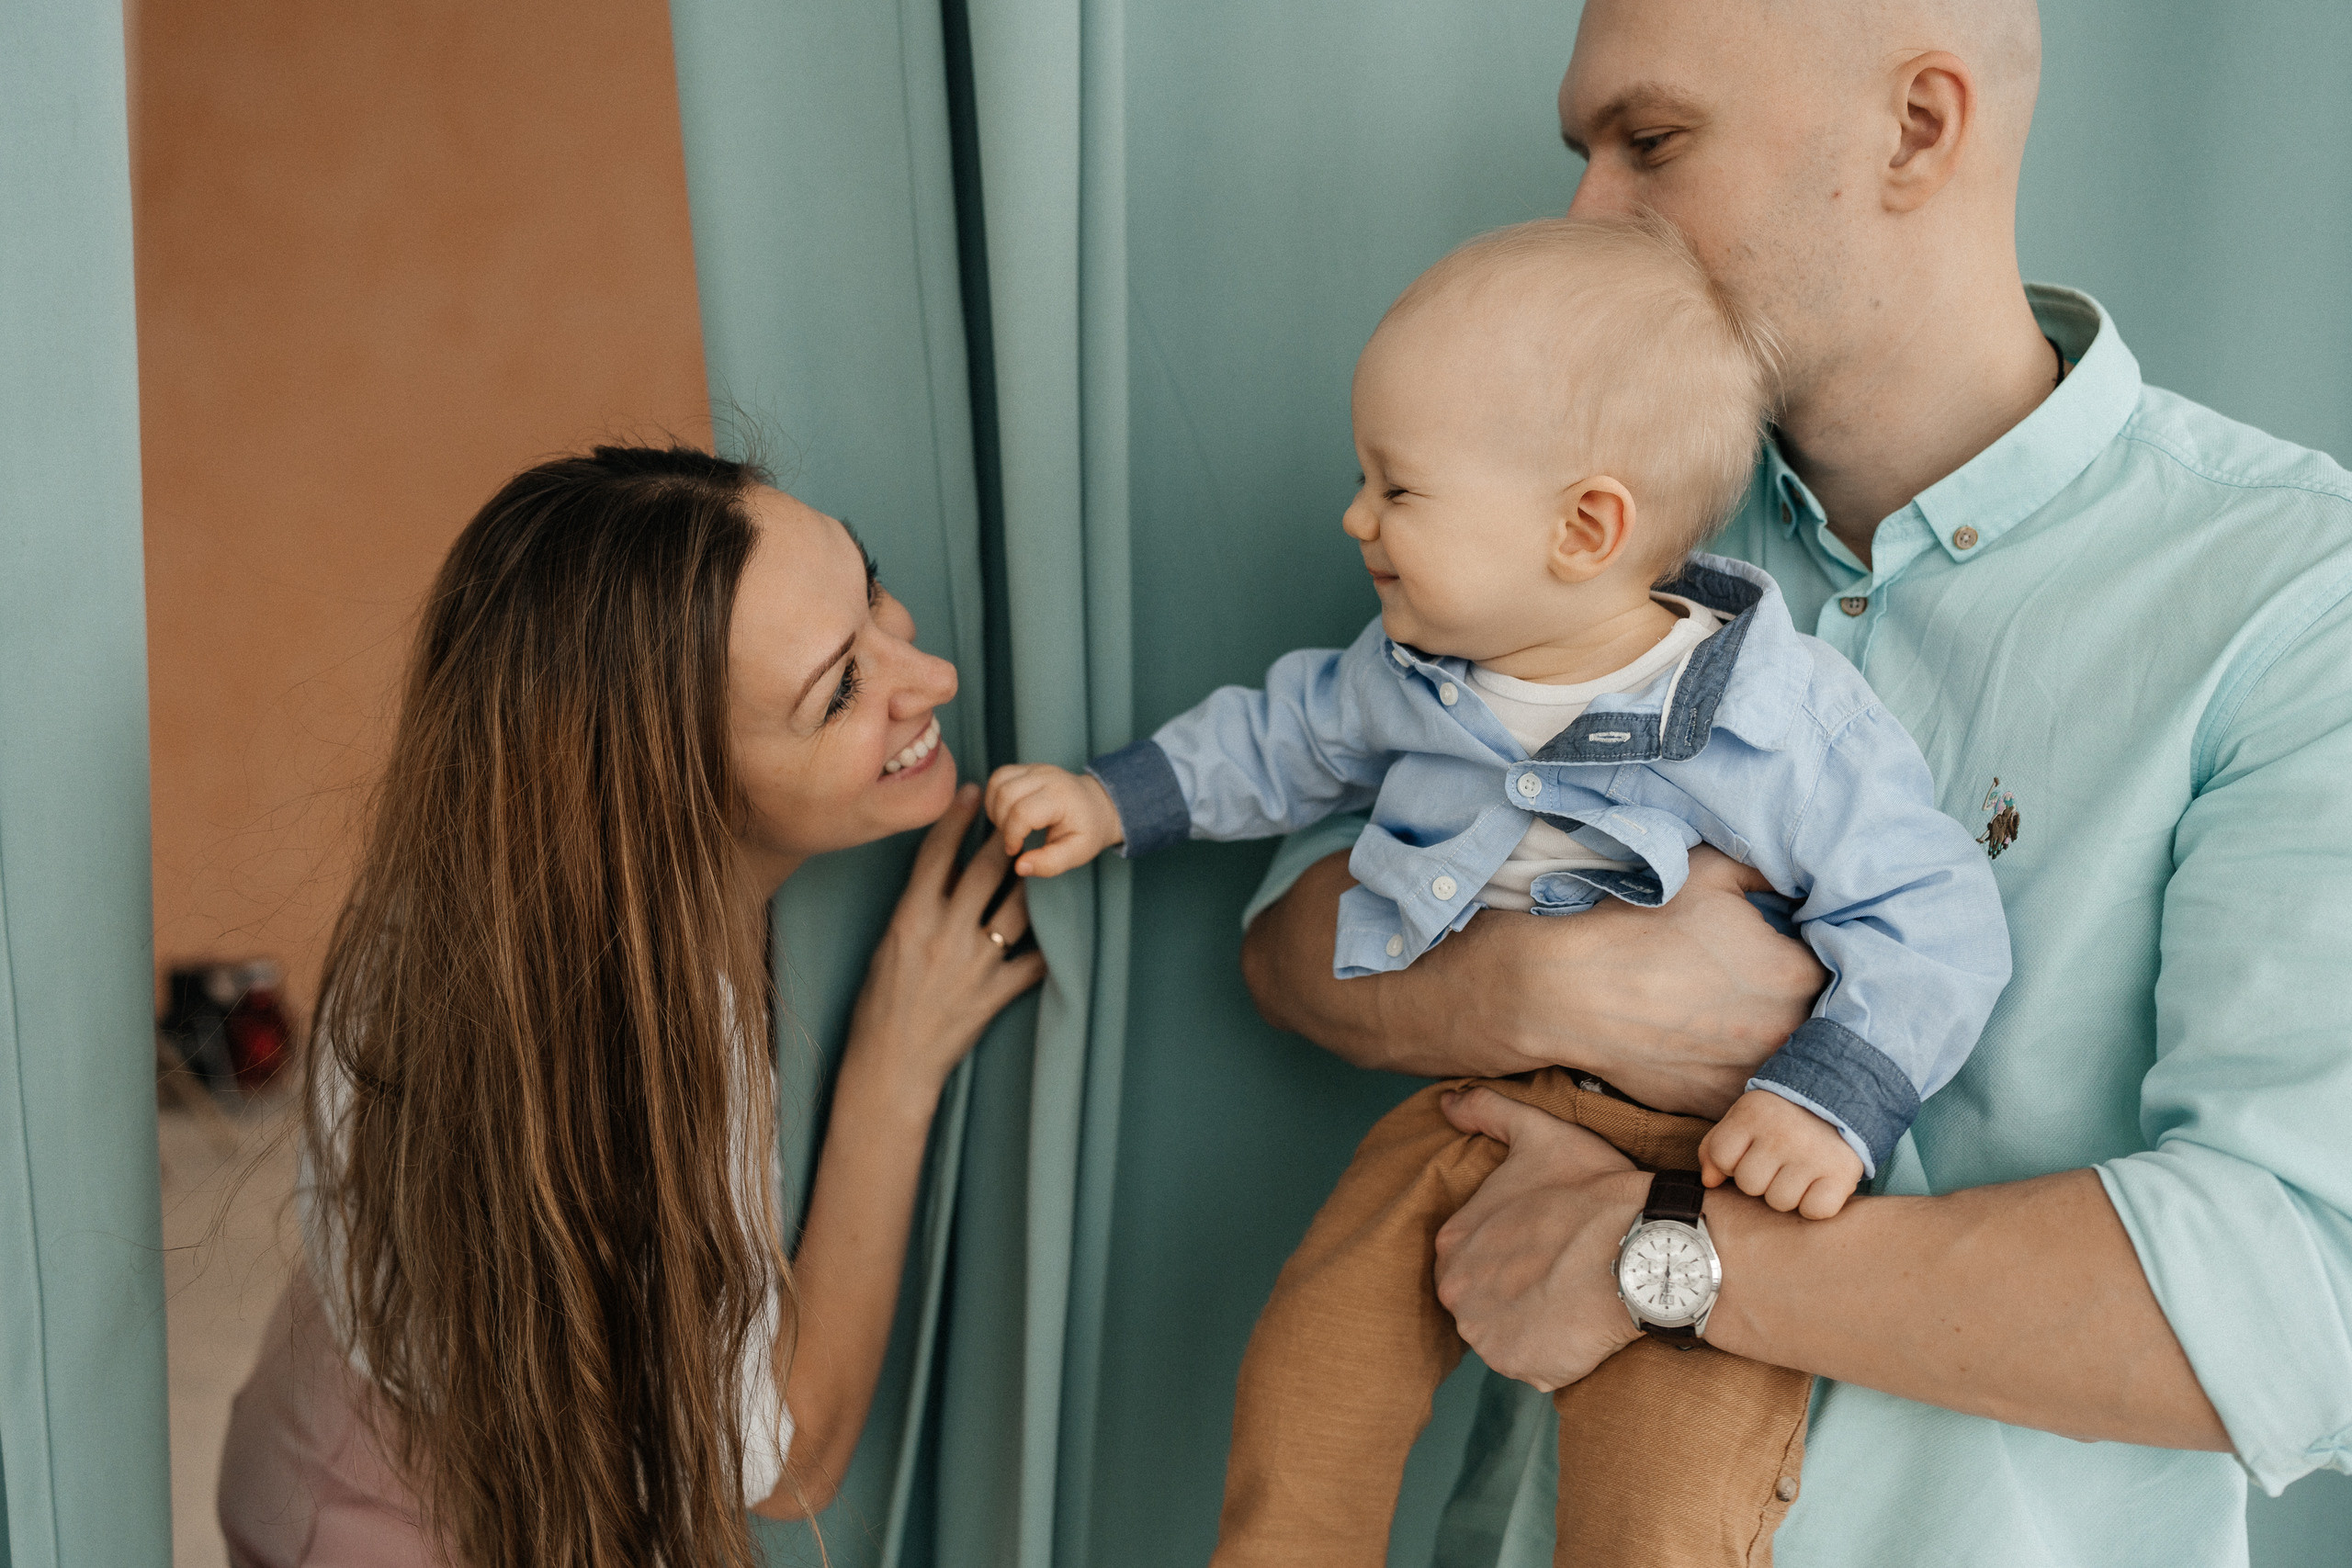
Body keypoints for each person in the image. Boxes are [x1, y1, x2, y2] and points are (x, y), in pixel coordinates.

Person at [1239, 2, 2352, 1564]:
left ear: (1917, 128)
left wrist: (1658, 1256)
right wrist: (1565, 989)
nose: (1584, 216)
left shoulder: (2301, 602)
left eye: (1653, 142)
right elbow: (1289, 942)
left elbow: (2306, 1292)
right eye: (1585, 148)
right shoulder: (1583, 520)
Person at [989, 214, 2008, 1567]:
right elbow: (1282, 738)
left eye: (1396, 489)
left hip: (1705, 1167)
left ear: (1585, 526)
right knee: (1311, 1374)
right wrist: (1119, 797)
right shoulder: (1414, 667)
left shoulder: (1783, 721)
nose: (1355, 517)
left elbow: (1936, 914)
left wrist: (1828, 1099)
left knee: (1667, 1490)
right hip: (1471, 1105)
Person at [216, 446, 1045, 1568]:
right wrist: (896, 1058)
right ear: (672, 793)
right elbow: (786, 1461)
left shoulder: (494, 858)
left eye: (873, 590)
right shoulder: (611, 1063)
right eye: (841, 687)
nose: (931, 674)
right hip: (399, 1523)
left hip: (316, 1433)